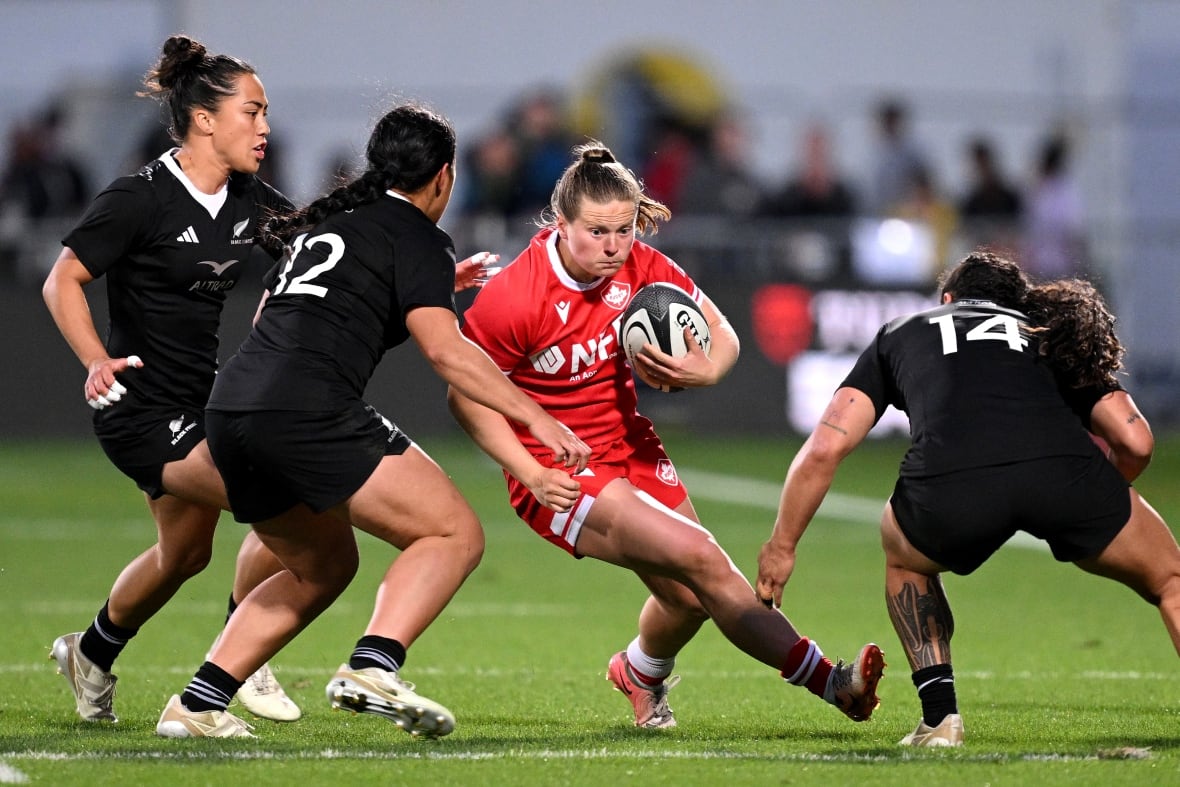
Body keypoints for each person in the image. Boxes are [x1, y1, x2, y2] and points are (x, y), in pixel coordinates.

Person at [154, 102, 590, 739]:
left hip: (231, 409)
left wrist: (430, 287)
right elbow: (448, 352)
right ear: (443, 176)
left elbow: (273, 320)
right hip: (307, 410)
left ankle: (196, 704)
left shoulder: (331, 226)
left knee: (322, 566)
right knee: (453, 535)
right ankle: (373, 665)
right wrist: (536, 416)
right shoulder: (415, 235)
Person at [448, 140, 885, 731]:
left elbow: (722, 332)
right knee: (705, 561)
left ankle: (638, 672)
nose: (612, 246)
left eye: (624, 230)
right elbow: (464, 397)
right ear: (560, 223)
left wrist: (709, 367)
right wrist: (528, 472)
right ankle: (832, 682)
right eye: (597, 231)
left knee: (685, 599)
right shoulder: (515, 297)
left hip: (630, 446)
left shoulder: (640, 265)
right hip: (558, 469)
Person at [757, 250, 1180, 747]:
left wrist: (782, 546)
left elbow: (826, 446)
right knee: (1170, 578)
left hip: (951, 482)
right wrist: (1098, 499)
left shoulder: (902, 331)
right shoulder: (1050, 336)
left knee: (905, 561)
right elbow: (1136, 443)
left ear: (949, 300)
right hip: (1063, 472)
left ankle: (941, 720)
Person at [41, 34, 302, 725]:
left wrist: (406, 281)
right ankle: (230, 669)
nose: (265, 126)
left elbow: (320, 244)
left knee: (186, 552)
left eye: (266, 111)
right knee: (288, 503)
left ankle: (91, 652)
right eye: (252, 111)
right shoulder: (140, 197)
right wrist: (96, 357)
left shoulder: (250, 199)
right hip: (139, 408)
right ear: (205, 119)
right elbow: (61, 279)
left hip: (201, 401)